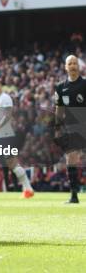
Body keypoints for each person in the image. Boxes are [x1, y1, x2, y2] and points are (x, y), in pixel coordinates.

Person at [54, 55, 86, 204]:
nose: (72, 66)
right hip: (72, 127)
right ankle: (74, 195)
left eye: (75, 63)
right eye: (70, 63)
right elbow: (59, 109)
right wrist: (57, 128)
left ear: (78, 67)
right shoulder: (60, 87)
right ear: (66, 67)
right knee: (71, 158)